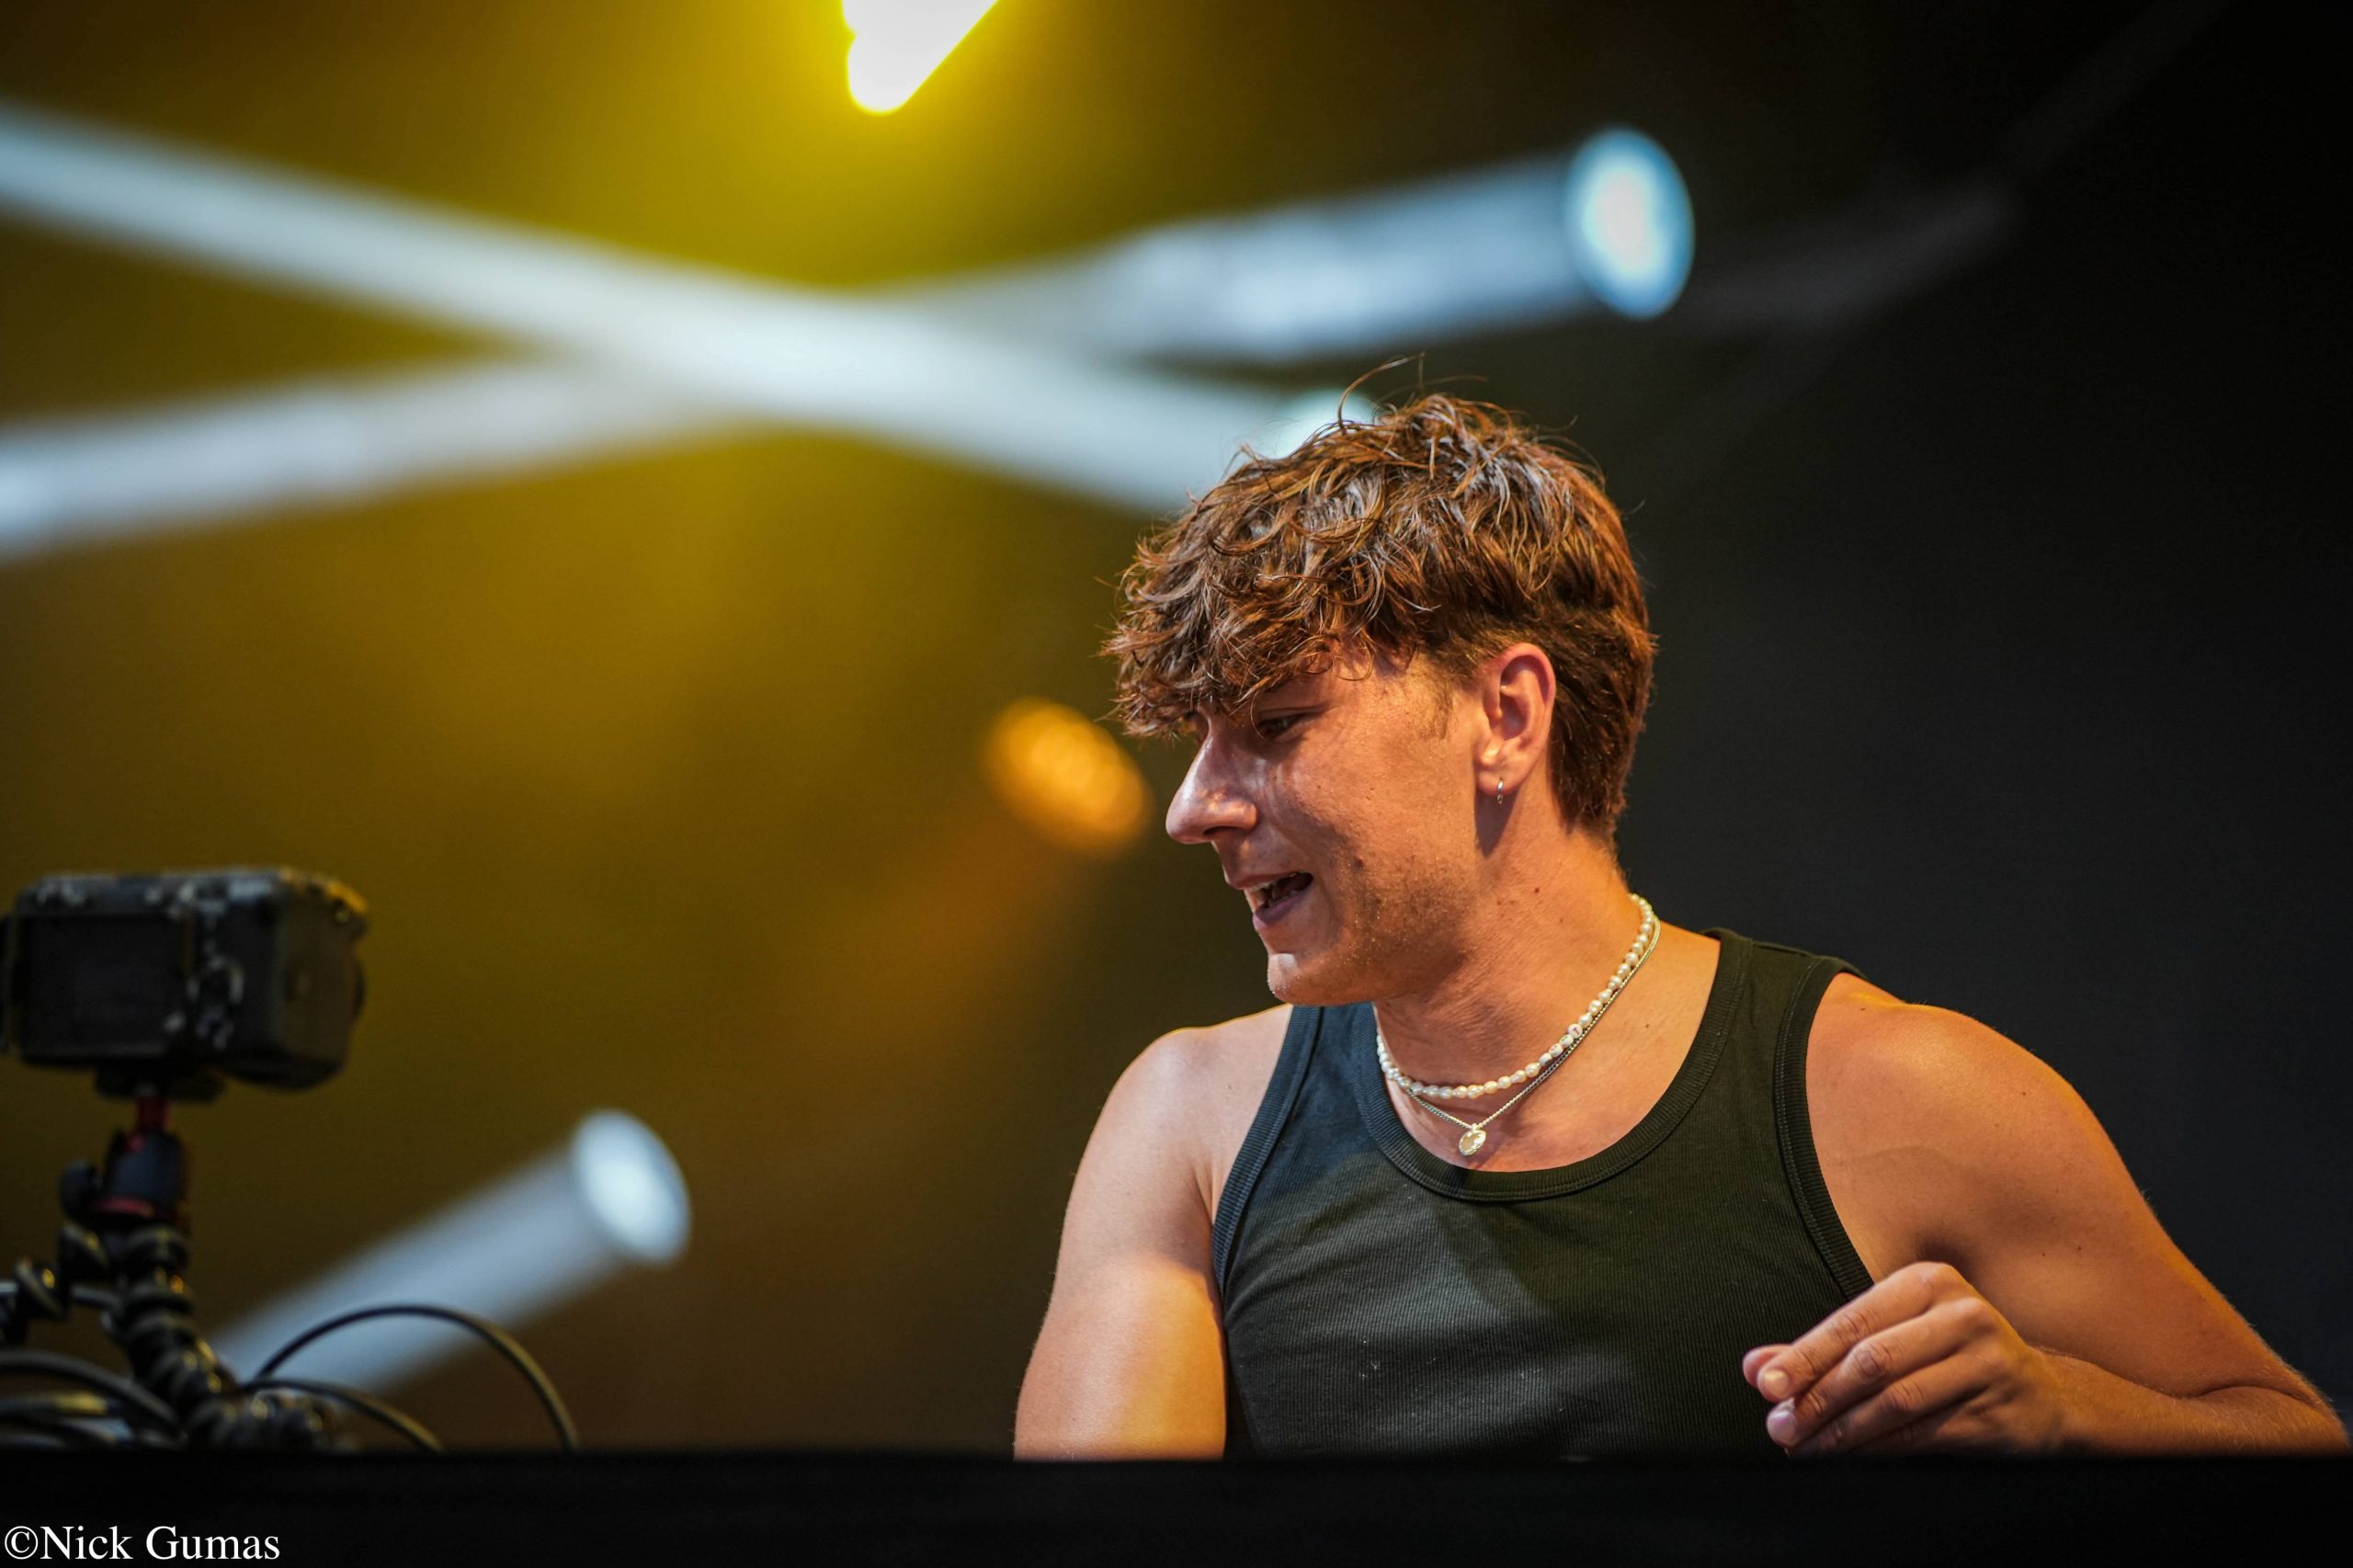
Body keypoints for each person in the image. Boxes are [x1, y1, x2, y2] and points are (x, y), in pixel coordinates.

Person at [1013, 394, 2346, 1459]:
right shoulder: (1189, 1129)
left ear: (1507, 717)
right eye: (1199, 743)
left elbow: (2291, 1443)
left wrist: (2067, 1413)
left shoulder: (1903, 1094)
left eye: (1274, 724)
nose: (1192, 807)